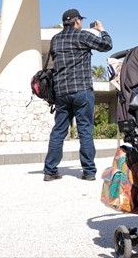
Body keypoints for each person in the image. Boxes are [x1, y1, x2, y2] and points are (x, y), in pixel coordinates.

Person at [43, 9, 113, 181]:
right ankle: (89, 171)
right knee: (85, 131)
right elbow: (107, 46)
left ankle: (50, 170)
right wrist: (102, 30)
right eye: (80, 20)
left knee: (58, 131)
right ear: (76, 21)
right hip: (82, 91)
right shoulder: (82, 36)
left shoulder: (55, 39)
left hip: (61, 92)